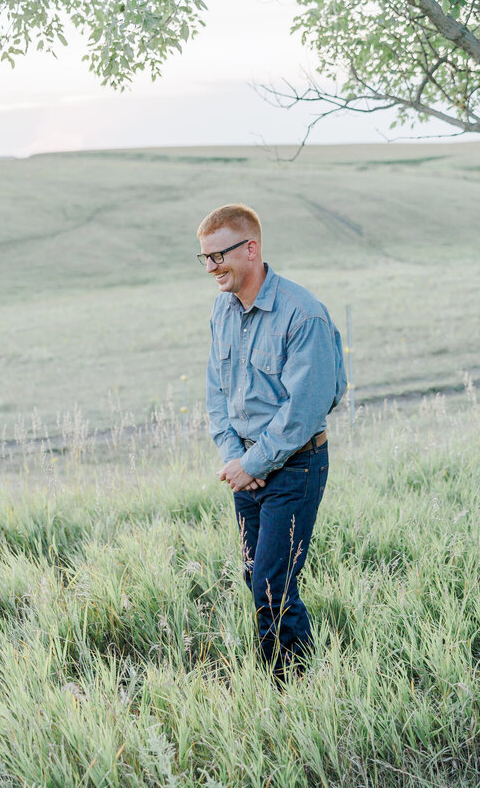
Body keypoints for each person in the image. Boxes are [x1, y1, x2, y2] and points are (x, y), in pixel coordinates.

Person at [199, 204, 346, 682]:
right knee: (256, 577)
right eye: (204, 258)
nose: (212, 267)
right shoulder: (222, 310)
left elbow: (307, 408)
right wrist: (234, 458)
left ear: (251, 249)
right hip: (247, 468)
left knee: (271, 584)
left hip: (296, 468)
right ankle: (294, 678)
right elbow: (216, 392)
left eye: (219, 255)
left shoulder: (303, 315)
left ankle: (294, 686)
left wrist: (256, 460)